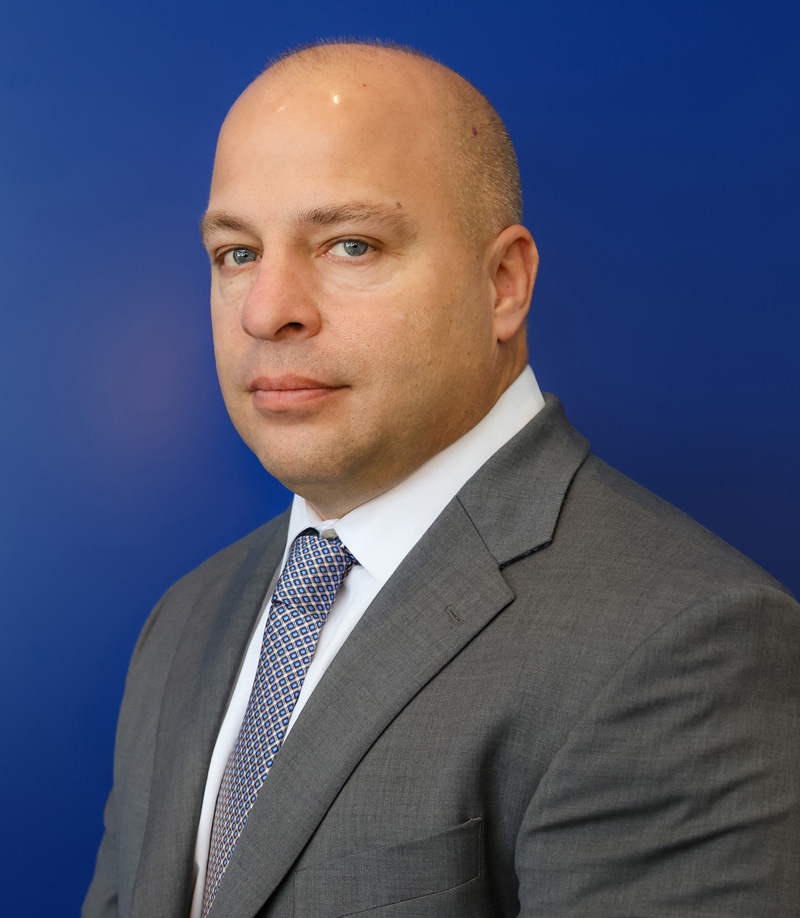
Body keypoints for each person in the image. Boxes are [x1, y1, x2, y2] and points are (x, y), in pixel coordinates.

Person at [83, 41, 800, 918]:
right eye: (236, 253)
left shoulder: (685, 644)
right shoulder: (186, 620)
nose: (268, 310)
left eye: (349, 244)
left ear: (503, 284)